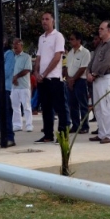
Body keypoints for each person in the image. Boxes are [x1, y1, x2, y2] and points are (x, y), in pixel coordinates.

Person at [33, 12, 68, 144]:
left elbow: (57, 57)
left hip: (54, 78)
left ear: (53, 21)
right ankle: (48, 134)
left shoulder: (58, 36)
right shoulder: (41, 38)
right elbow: (38, 56)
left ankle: (63, 134)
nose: (44, 21)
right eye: (42, 19)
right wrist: (36, 72)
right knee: (46, 108)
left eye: (47, 19)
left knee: (60, 107)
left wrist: (45, 73)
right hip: (42, 79)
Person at [86, 20, 110, 144]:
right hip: (96, 79)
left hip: (106, 78)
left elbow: (108, 62)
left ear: (109, 30)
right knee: (99, 107)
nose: (99, 30)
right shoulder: (100, 45)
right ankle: (102, 133)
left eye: (101, 28)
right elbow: (92, 60)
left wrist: (94, 73)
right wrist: (89, 72)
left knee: (107, 106)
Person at [64, 31, 91, 134]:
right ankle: (75, 125)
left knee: (83, 104)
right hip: (70, 81)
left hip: (80, 81)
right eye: (70, 39)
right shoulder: (70, 53)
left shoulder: (85, 52)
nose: (70, 41)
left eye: (72, 39)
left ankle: (85, 126)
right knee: (72, 105)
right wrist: (68, 79)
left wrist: (73, 79)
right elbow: (66, 67)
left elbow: (83, 68)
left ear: (79, 40)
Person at [10, 38, 33, 132]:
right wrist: (12, 79)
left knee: (26, 106)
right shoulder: (11, 57)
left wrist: (16, 77)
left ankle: (29, 125)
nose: (15, 46)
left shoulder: (26, 57)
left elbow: (27, 69)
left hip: (23, 85)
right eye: (14, 44)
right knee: (15, 107)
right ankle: (17, 125)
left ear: (21, 45)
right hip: (13, 86)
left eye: (17, 44)